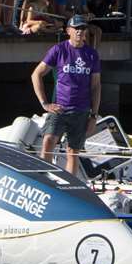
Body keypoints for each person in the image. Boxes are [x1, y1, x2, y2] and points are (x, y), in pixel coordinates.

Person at [32, 15, 102, 176]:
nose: (79, 32)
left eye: (83, 28)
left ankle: (70, 184)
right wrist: (44, 103)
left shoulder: (91, 54)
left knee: (73, 151)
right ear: (68, 30)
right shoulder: (59, 50)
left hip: (81, 109)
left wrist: (94, 115)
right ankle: (45, 178)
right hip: (59, 106)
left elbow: (96, 86)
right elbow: (36, 74)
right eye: (76, 28)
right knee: (48, 141)